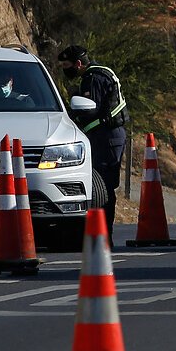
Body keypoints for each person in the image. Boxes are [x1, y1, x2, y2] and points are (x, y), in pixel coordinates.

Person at [58, 45, 130, 240]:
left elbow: (90, 110)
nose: (65, 69)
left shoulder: (93, 79)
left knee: (103, 186)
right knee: (103, 185)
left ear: (78, 64)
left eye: (67, 65)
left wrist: (72, 114)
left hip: (106, 137)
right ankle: (101, 232)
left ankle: (104, 234)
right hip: (109, 136)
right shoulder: (102, 73)